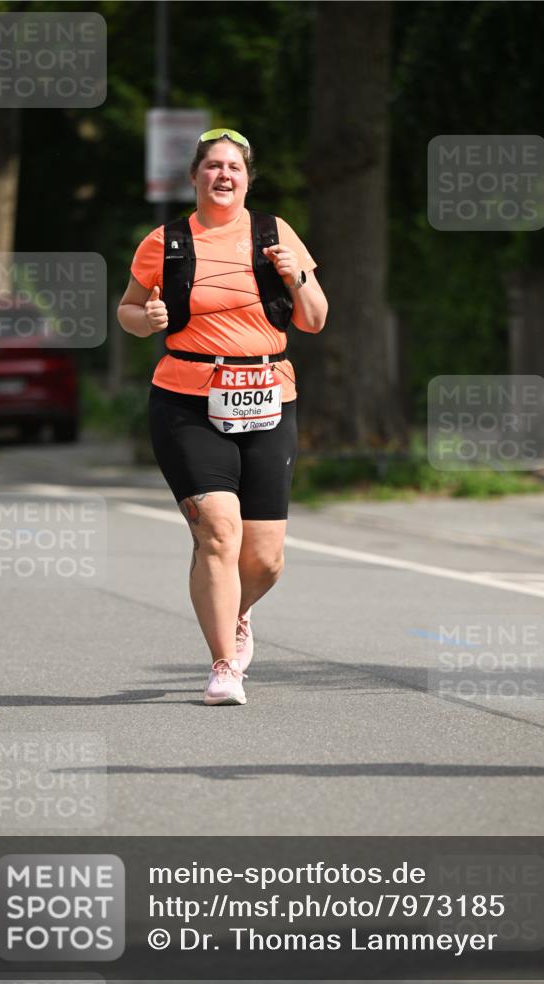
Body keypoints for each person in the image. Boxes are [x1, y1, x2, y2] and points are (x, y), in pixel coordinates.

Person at [117, 128, 328, 706]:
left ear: (247, 178)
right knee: (217, 532)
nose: (223, 175)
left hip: (268, 397)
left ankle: (233, 613)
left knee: (263, 558)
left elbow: (313, 320)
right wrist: (148, 317)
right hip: (186, 399)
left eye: (233, 167)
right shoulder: (166, 241)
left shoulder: (275, 233)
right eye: (212, 166)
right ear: (195, 177)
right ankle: (223, 666)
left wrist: (297, 275)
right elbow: (128, 310)